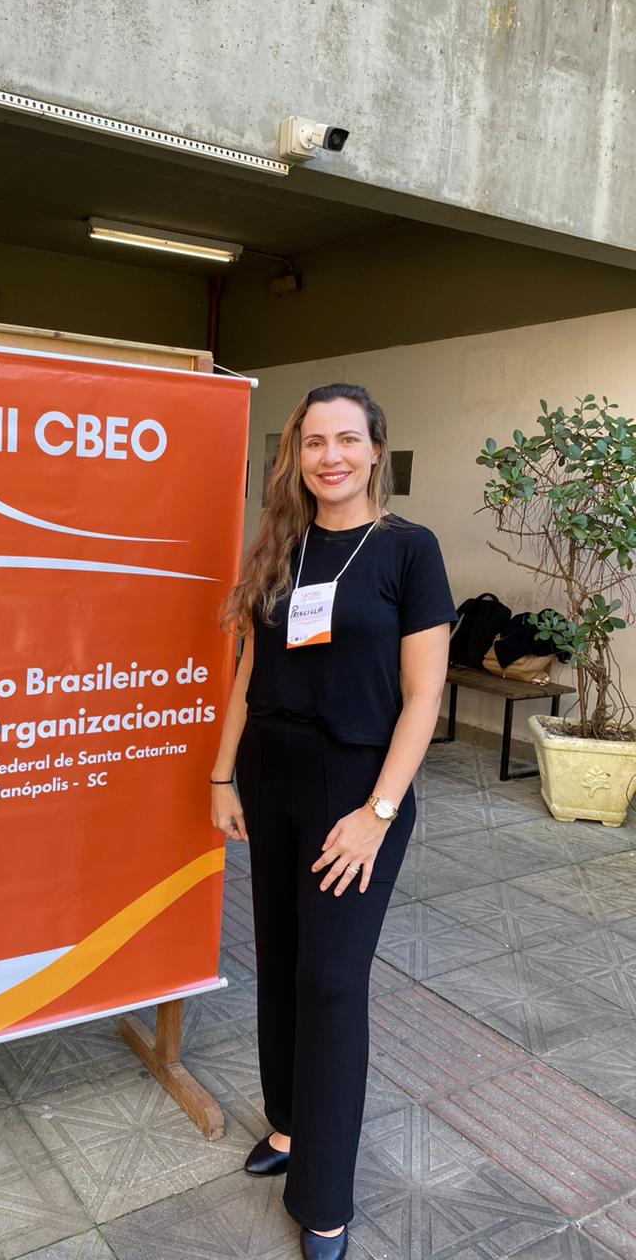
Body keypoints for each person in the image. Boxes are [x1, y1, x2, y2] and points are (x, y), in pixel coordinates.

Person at [211, 384, 456, 1259]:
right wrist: (222, 775)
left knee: (332, 980)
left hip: (357, 784)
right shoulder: (280, 544)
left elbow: (424, 695)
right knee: (280, 957)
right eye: (314, 442)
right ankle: (287, 1122)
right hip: (271, 772)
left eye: (347, 439)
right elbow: (247, 671)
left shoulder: (408, 551)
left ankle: (323, 1198)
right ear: (296, 455)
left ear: (376, 449)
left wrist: (377, 815)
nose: (331, 457)